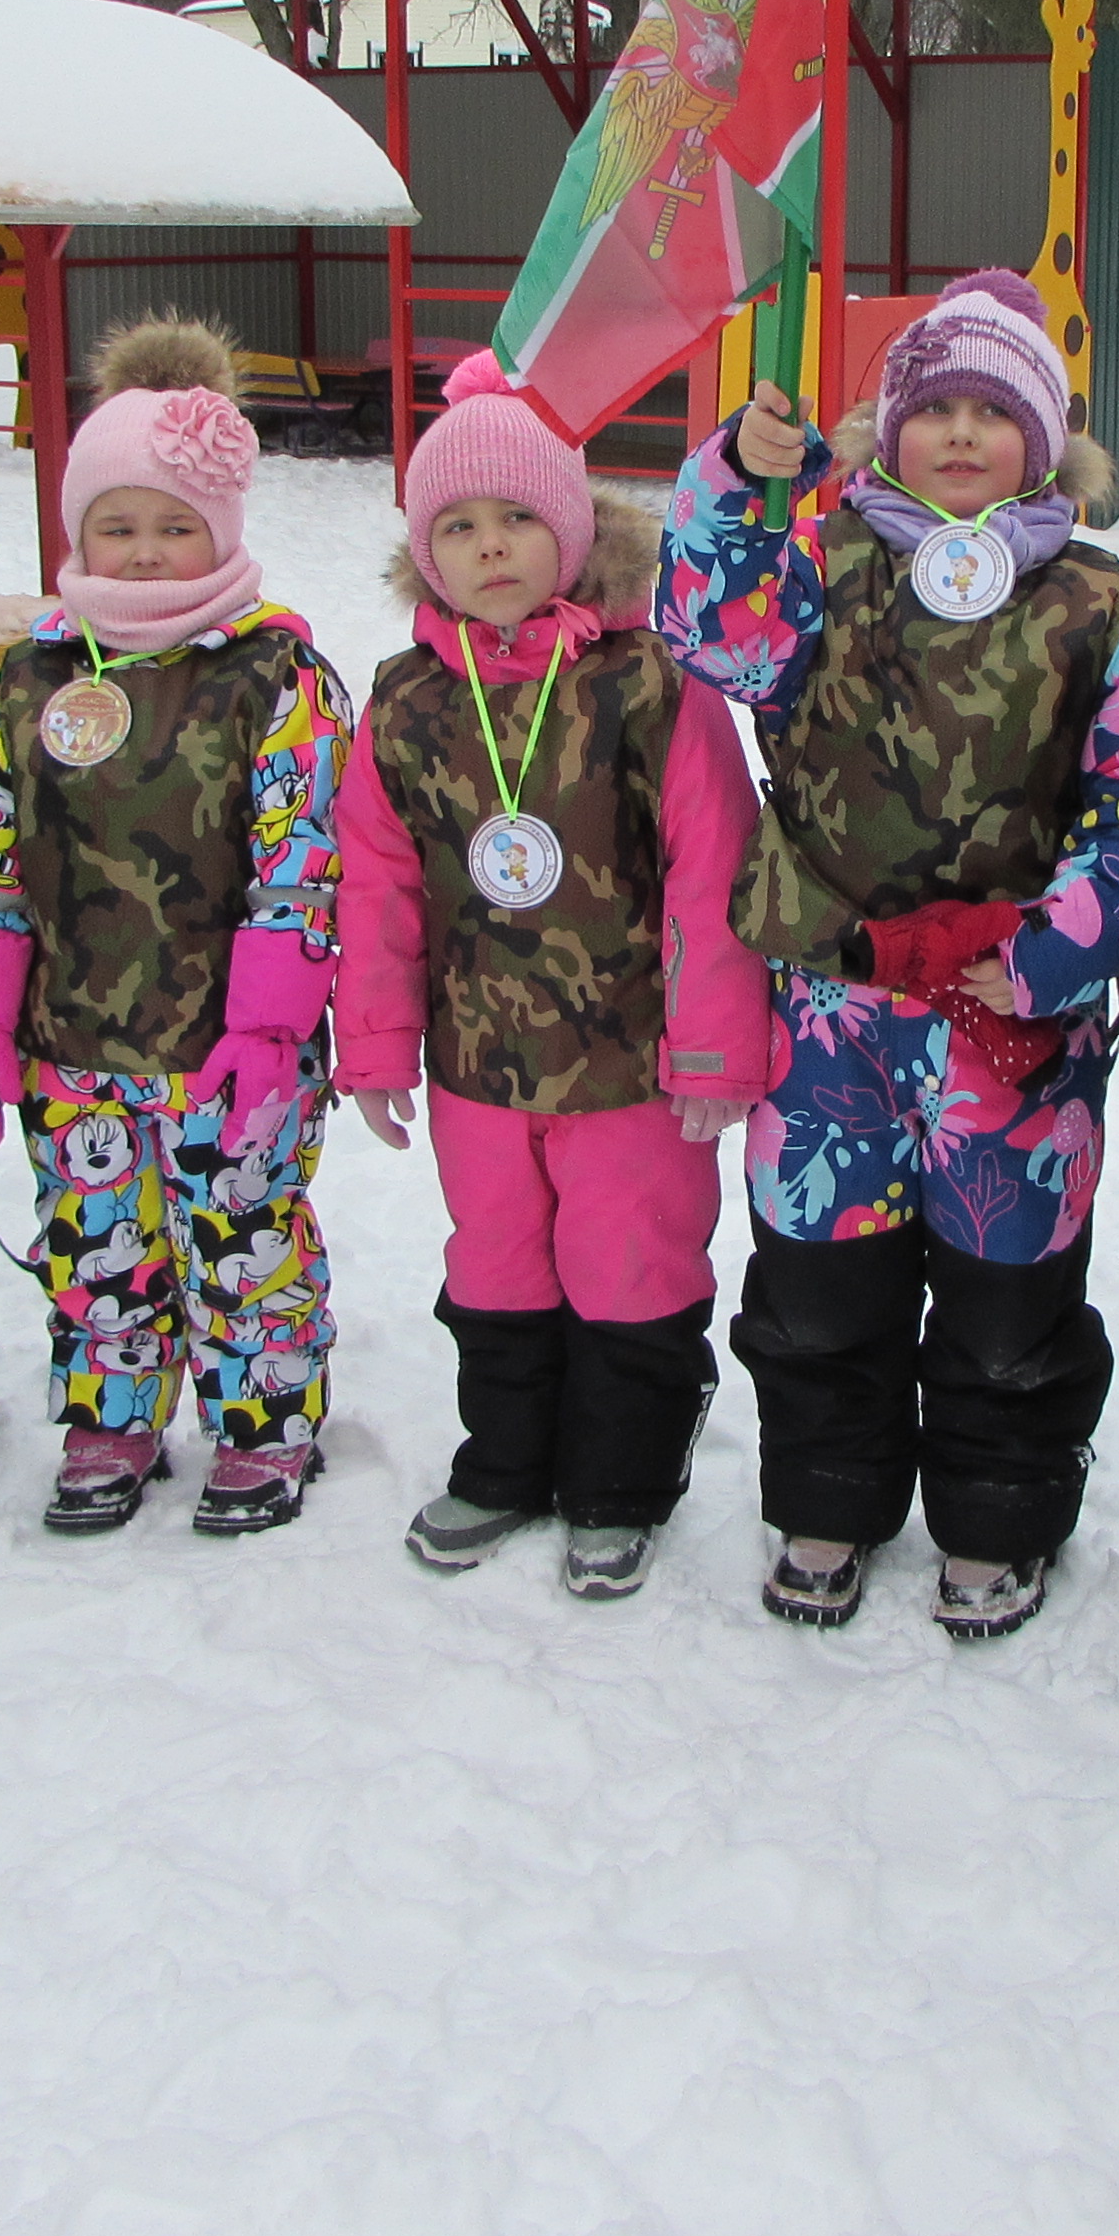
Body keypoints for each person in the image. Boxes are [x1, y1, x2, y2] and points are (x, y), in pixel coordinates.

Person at [656, 268, 1119, 1641]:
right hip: (834, 1011)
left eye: (989, 412)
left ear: (1044, 436)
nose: (957, 435)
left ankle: (998, 1517)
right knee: (824, 1281)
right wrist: (737, 483)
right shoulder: (820, 564)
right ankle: (829, 1492)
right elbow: (710, 634)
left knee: (1009, 1300)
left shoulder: (1099, 601)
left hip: (1012, 1018)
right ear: (888, 429)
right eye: (930, 407)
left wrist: (1066, 947)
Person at [336, 353, 768, 1600]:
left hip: (633, 1056)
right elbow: (376, 882)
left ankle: (622, 1479)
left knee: (630, 1262)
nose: (489, 549)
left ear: (571, 528)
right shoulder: (408, 702)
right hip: (480, 1060)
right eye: (457, 527)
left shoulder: (647, 683)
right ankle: (507, 1461)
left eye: (517, 518)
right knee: (498, 1262)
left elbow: (711, 864)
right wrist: (371, 1043)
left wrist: (716, 1043)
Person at [0, 319, 351, 1538]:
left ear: (219, 532)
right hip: (73, 1037)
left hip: (229, 1046)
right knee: (96, 1242)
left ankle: (264, 1423)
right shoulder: (31, 676)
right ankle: (112, 1411)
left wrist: (271, 1028)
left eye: (177, 527)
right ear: (76, 532)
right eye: (119, 525)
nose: (148, 552)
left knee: (243, 1239)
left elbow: (300, 861)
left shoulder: (274, 675)